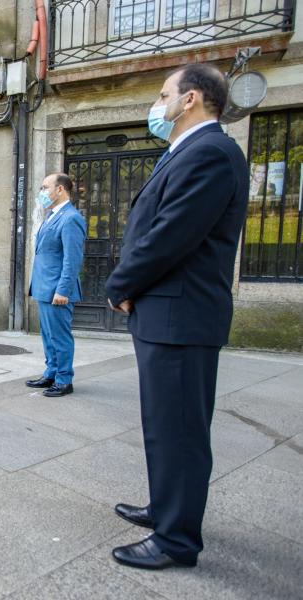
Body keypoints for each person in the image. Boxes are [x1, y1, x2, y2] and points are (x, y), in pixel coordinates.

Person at [104, 64, 249, 570]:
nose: (158, 103)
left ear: (190, 99)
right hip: (167, 313)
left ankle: (176, 541)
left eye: (164, 94)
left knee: (181, 431)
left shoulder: (211, 152)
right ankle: (167, 509)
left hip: (181, 315)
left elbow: (170, 234)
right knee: (164, 425)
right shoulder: (188, 150)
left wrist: (120, 284)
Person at [26, 173, 87, 397]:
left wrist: (63, 290)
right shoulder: (52, 215)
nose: (41, 192)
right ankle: (51, 373)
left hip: (57, 290)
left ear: (60, 189)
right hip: (44, 287)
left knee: (59, 337)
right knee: (48, 335)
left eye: (45, 187)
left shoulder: (71, 218)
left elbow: (72, 259)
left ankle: (63, 380)